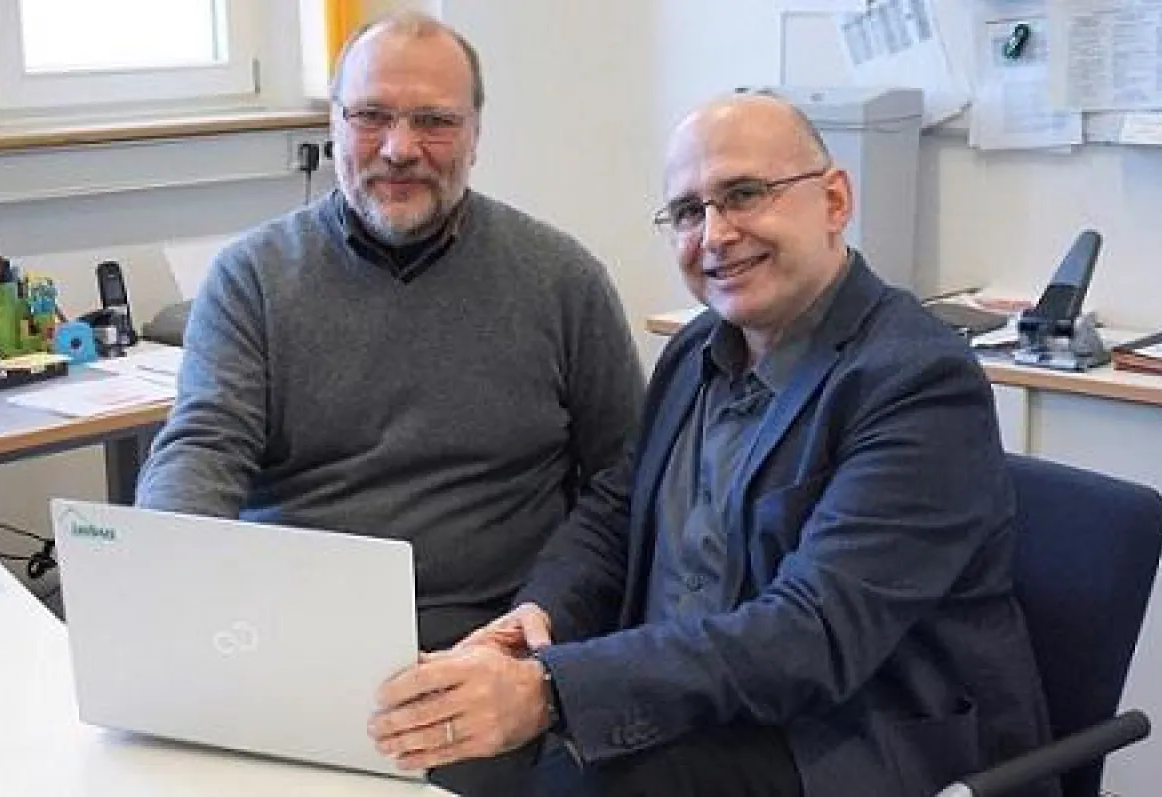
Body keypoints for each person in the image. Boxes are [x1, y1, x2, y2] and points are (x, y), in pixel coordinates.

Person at [366, 91, 1060, 797]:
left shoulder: (918, 379)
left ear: (834, 201)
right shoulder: (697, 348)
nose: (716, 234)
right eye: (687, 212)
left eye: (745, 194)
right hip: (701, 710)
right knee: (450, 757)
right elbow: (615, 513)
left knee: (571, 781)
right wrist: (541, 616)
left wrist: (551, 690)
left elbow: (812, 633)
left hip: (852, 740)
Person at [135, 11, 644, 796]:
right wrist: (167, 578)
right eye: (371, 115)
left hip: (483, 649)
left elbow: (625, 484)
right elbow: (201, 447)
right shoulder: (253, 278)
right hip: (291, 642)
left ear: (476, 135)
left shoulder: (563, 281)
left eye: (434, 121)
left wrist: (543, 625)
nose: (399, 147)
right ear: (335, 125)